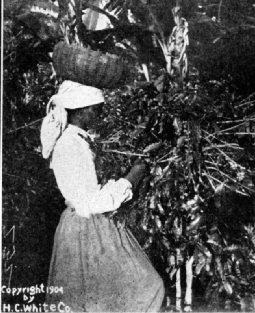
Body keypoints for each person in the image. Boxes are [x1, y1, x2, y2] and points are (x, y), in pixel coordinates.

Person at [41, 80, 165, 312]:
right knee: (142, 288)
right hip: (86, 227)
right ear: (82, 110)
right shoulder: (69, 145)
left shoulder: (82, 140)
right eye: (97, 109)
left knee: (110, 297)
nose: (100, 113)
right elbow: (91, 201)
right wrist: (132, 177)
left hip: (95, 225)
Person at [167, 6, 189, 80]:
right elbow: (171, 41)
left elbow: (186, 44)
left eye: (178, 17)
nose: (176, 19)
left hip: (183, 55)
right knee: (176, 77)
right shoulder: (175, 29)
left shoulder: (185, 29)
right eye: (175, 17)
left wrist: (182, 56)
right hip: (176, 55)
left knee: (184, 75)